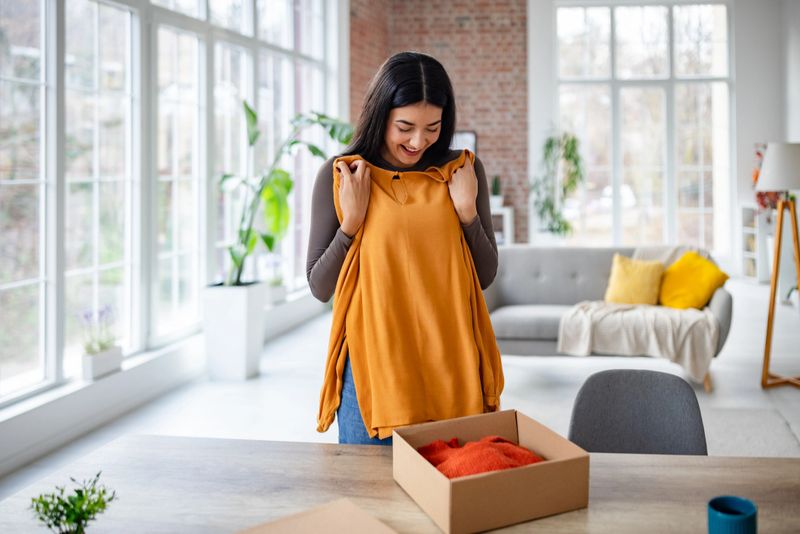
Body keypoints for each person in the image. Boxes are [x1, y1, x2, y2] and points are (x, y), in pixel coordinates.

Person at [306, 51, 502, 445]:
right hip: (373, 376)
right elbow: (319, 286)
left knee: (450, 499)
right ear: (381, 115)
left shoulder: (461, 171)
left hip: (452, 369)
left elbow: (484, 276)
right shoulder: (344, 174)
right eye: (405, 127)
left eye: (433, 127)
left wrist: (467, 213)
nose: (418, 141)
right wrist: (351, 224)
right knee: (370, 501)